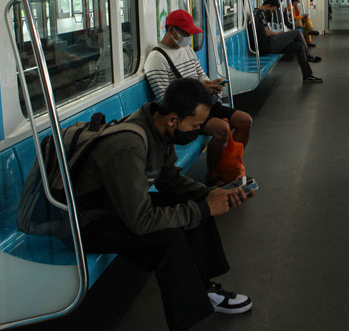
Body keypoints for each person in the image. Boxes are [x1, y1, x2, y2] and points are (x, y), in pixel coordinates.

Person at [72, 78, 254, 330]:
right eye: (196, 125)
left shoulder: (158, 130)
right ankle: (188, 321)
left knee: (195, 201)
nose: (197, 130)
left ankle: (204, 288)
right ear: (173, 120)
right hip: (88, 221)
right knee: (169, 240)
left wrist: (213, 194)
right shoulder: (128, 145)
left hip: (116, 205)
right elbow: (141, 221)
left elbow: (171, 183)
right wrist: (204, 208)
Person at [144, 10, 254, 184]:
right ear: (172, 30)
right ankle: (212, 176)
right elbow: (165, 102)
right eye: (185, 33)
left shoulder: (186, 49)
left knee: (245, 121)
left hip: (202, 105)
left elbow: (200, 74)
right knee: (221, 129)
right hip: (184, 115)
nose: (188, 37)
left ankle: (228, 168)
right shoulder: (157, 59)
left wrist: (210, 85)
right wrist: (198, 89)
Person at [251, 0, 323, 83]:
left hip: (263, 45)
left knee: (299, 47)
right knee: (296, 32)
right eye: (272, 10)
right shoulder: (261, 14)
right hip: (267, 45)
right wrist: (280, 33)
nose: (272, 13)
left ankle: (307, 75)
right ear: (268, 6)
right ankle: (308, 56)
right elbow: (268, 33)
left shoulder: (255, 12)